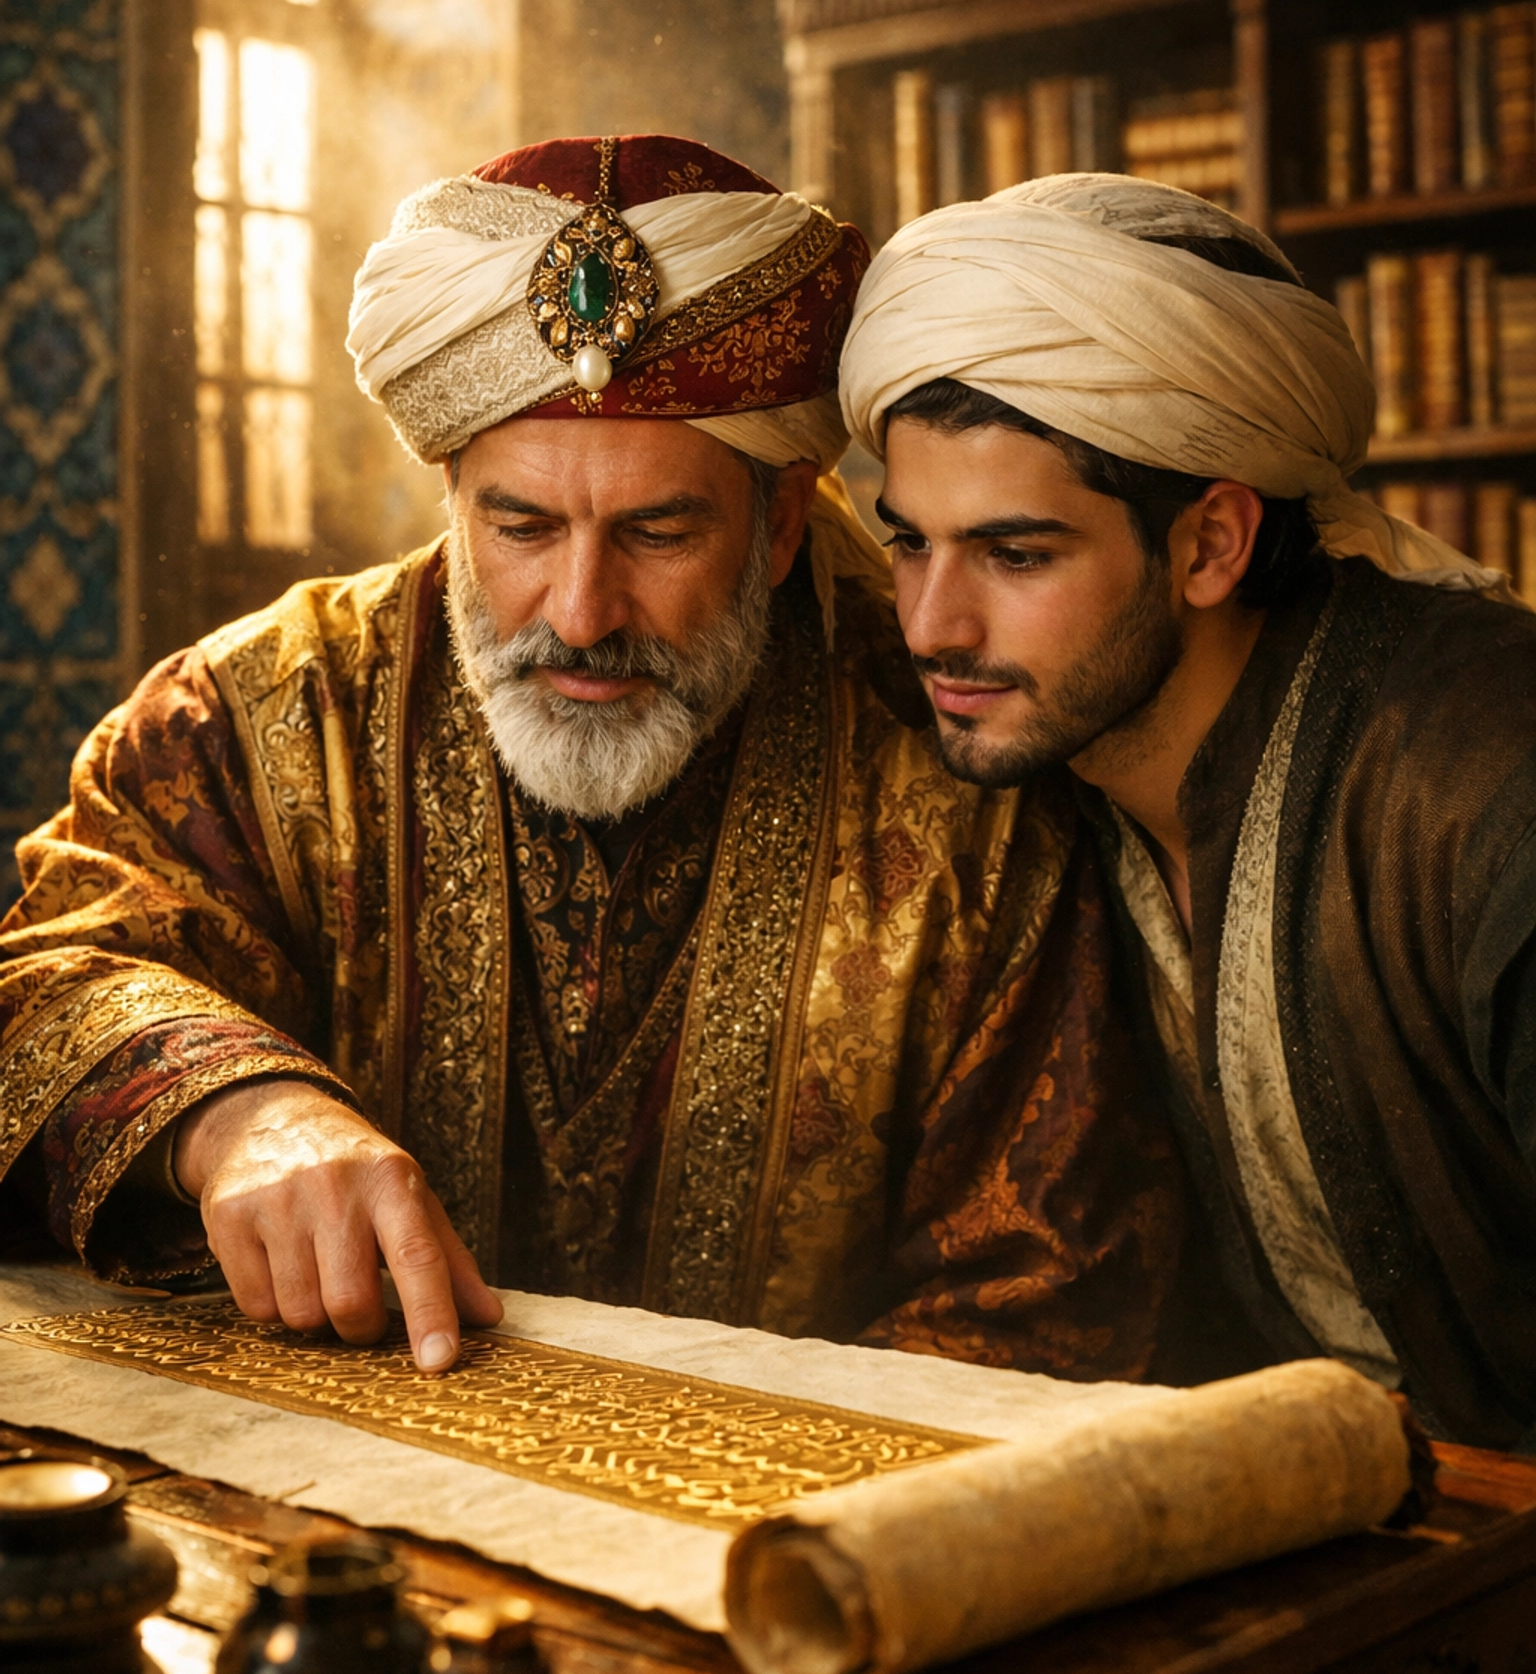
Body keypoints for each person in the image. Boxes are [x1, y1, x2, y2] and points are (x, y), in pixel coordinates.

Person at [0, 137, 1179, 1380]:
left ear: (780, 523)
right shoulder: (263, 718)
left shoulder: (969, 772)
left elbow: (1048, 1296)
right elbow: (48, 976)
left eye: (659, 532)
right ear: (452, 494)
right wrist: (235, 1115)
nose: (580, 610)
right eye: (520, 525)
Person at [840, 171, 1536, 1448]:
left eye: (1016, 555)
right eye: (909, 542)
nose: (935, 624)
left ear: (1210, 545)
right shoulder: (1054, 783)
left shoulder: (1490, 783)